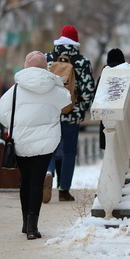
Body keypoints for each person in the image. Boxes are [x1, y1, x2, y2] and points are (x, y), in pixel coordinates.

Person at [0, 51, 71, 239]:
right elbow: (67, 99)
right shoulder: (52, 88)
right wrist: (56, 81)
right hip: (46, 142)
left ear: (25, 67)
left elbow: (1, 113)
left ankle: (25, 223)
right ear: (46, 67)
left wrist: (18, 124)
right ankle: (32, 227)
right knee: (37, 181)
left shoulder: (15, 89)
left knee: (26, 181)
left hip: (21, 141)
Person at [44, 25, 95, 203]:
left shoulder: (48, 58)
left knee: (49, 148)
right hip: (71, 114)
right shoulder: (82, 61)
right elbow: (88, 90)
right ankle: (64, 191)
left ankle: (48, 172)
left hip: (50, 113)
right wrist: (80, 109)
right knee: (69, 151)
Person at [99, 48, 126, 150]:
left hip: (106, 117)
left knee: (109, 148)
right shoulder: (126, 75)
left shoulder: (104, 75)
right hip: (123, 118)